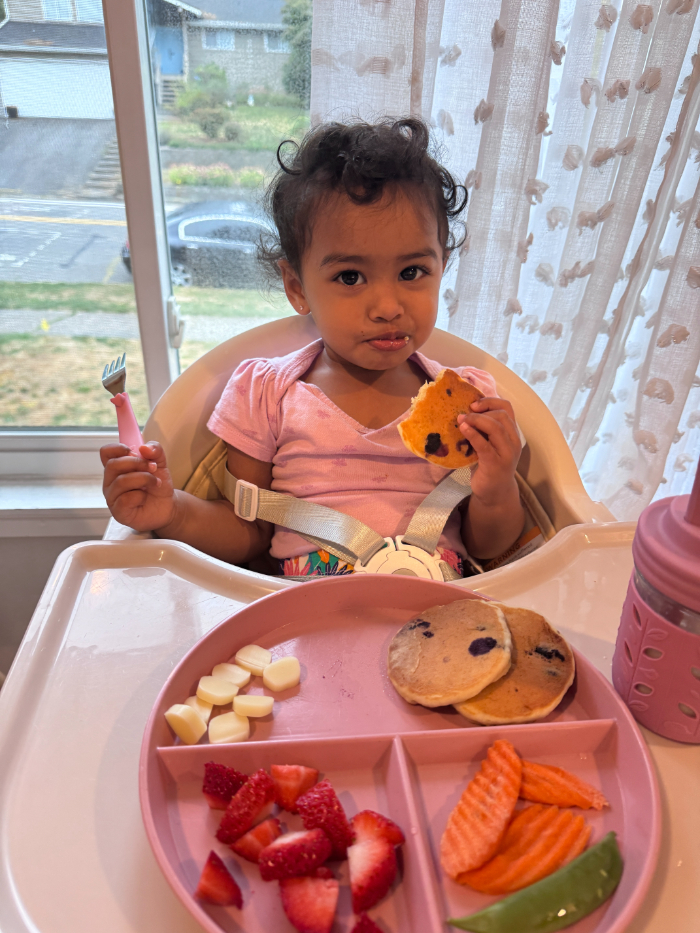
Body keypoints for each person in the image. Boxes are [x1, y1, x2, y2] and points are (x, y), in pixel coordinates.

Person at [101, 118, 525, 577]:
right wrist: (171, 512)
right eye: (350, 277)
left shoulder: (469, 404)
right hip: (308, 611)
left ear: (442, 266)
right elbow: (248, 536)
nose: (388, 307)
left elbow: (489, 550)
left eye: (412, 272)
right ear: (297, 286)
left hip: (440, 606)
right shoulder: (267, 394)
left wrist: (497, 487)